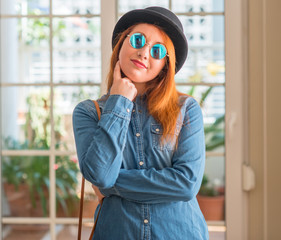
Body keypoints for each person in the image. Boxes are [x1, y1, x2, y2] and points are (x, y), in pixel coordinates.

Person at [73, 6, 209, 240]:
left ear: (165, 64)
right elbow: (100, 174)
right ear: (121, 44)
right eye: (138, 40)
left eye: (157, 50)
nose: (144, 53)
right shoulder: (88, 112)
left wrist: (112, 185)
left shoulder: (186, 110)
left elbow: (186, 184)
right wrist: (119, 101)